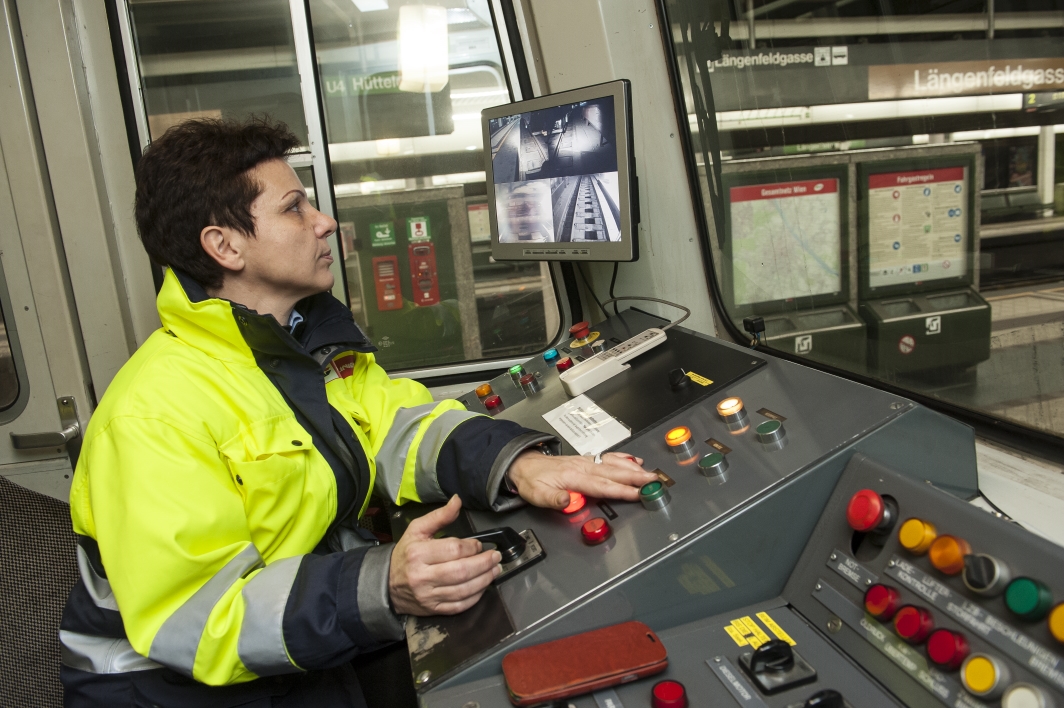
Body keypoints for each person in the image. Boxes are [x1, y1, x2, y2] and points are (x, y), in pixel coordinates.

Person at [58, 118, 657, 708]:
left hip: (292, 636)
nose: (323, 222)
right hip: (176, 691)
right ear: (225, 245)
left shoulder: (301, 344)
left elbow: (400, 428)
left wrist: (516, 465)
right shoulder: (150, 415)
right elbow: (201, 621)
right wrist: (383, 584)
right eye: (294, 208)